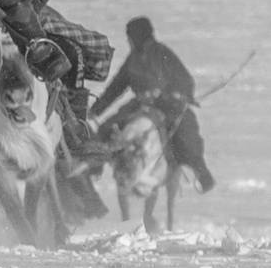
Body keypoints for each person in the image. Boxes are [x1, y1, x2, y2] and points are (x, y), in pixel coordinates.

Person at [90, 15, 214, 192]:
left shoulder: (163, 53)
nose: (129, 41)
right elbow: (117, 86)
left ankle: (202, 174)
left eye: (130, 37)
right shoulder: (132, 59)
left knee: (187, 136)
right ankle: (95, 169)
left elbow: (185, 80)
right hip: (139, 105)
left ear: (138, 36)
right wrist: (97, 109)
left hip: (167, 105)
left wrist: (174, 94)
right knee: (106, 129)